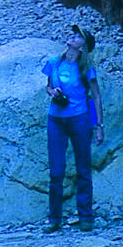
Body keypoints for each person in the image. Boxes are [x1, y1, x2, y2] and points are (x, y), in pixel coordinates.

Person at [42, 24, 105, 232]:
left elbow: (95, 96)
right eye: (74, 34)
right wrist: (53, 93)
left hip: (79, 118)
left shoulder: (86, 69)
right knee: (56, 170)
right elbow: (48, 86)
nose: (73, 36)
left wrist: (98, 125)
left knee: (83, 168)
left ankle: (86, 216)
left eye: (78, 37)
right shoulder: (54, 63)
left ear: (83, 47)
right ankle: (54, 218)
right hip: (56, 119)